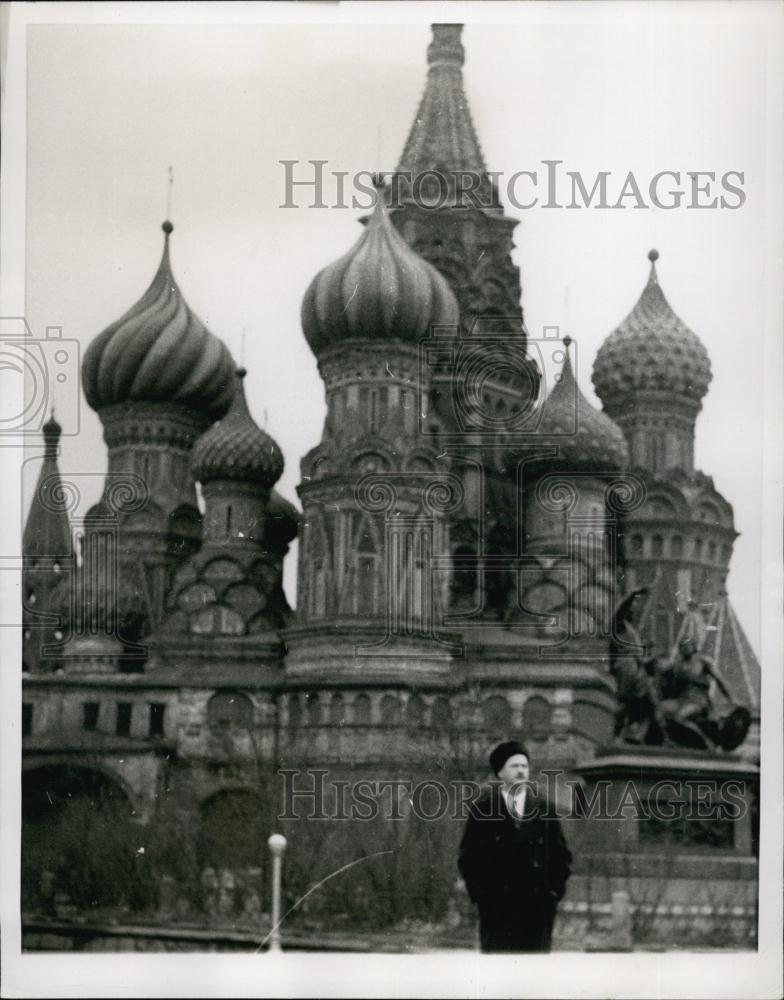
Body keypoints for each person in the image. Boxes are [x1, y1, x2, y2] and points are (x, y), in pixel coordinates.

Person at [457, 740, 572, 953]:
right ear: (500, 773)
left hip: (538, 908)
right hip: (497, 908)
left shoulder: (545, 809)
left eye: (524, 766)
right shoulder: (483, 809)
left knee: (533, 976)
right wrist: (481, 896)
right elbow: (468, 857)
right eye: (514, 766)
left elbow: (561, 855)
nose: (521, 771)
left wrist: (554, 893)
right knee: (499, 973)